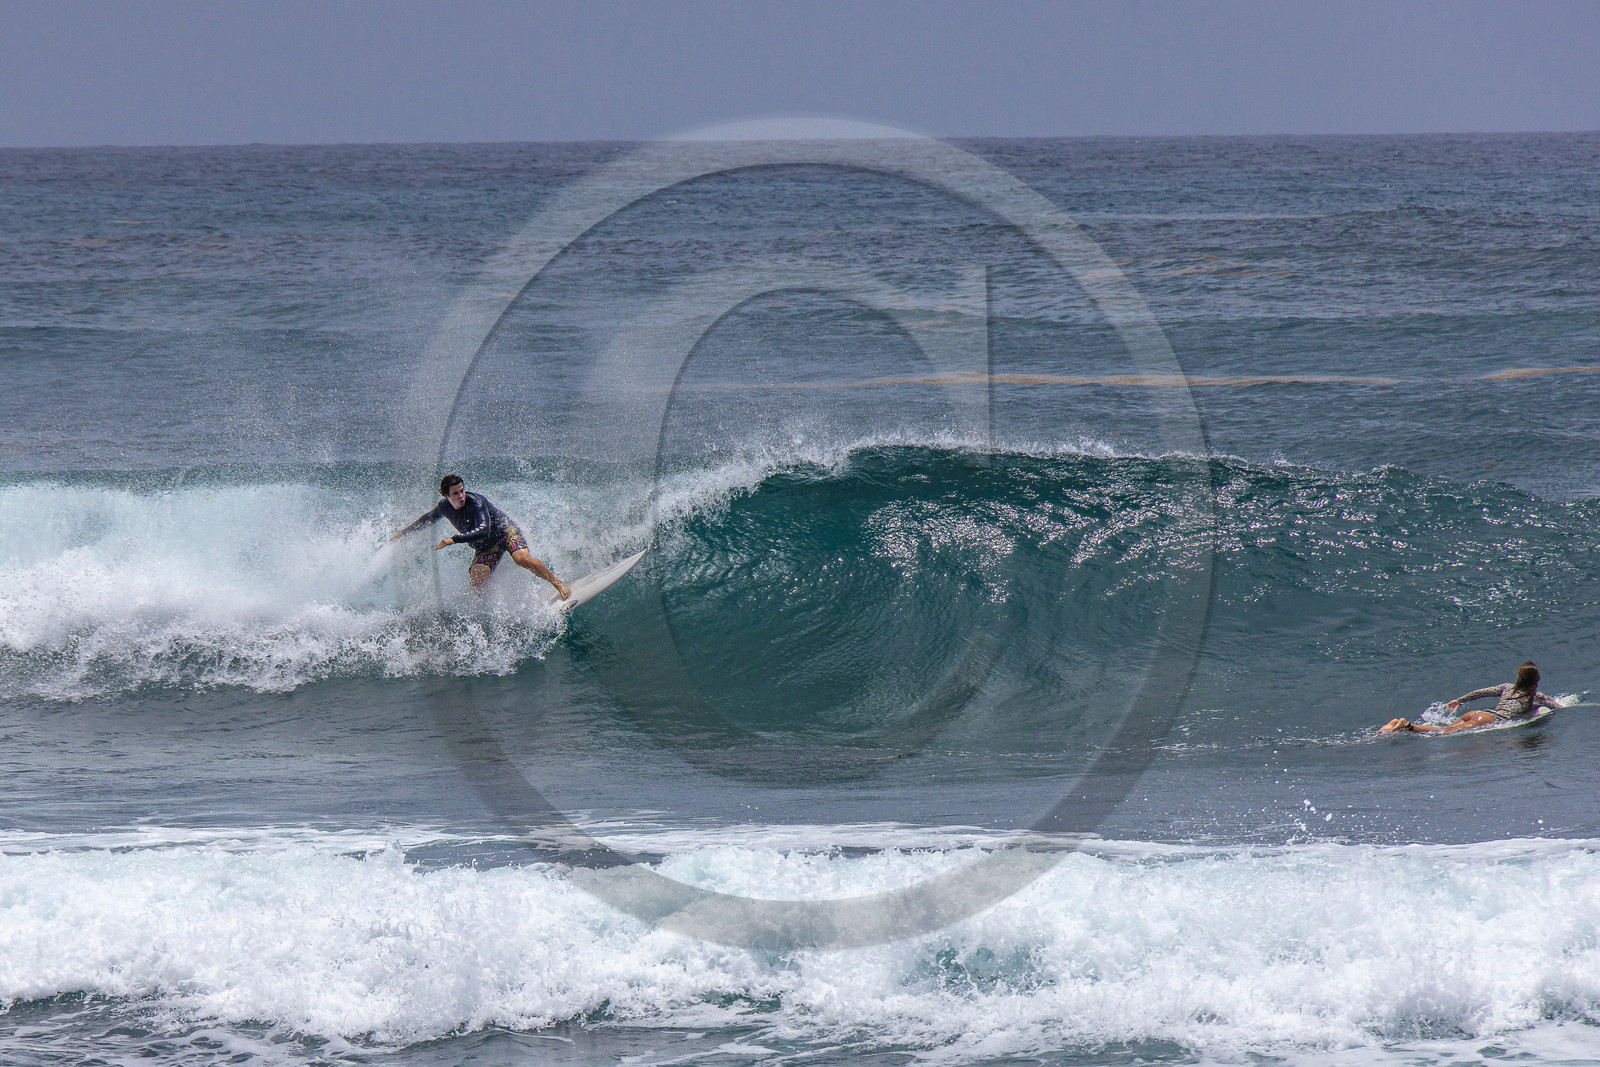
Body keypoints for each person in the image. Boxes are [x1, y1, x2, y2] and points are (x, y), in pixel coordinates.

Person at [390, 474, 570, 600]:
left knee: (521, 559)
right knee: (476, 580)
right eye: (456, 493)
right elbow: (428, 519)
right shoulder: (444, 507)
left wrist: (454, 539)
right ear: (446, 496)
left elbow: (483, 529)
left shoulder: (476, 502)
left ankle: (558, 584)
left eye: (462, 490)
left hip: (505, 533)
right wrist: (403, 533)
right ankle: (495, 607)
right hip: (485, 547)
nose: (461, 496)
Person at [1380, 662, 1560, 733]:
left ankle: (1403, 724)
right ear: (1536, 679)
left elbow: (1481, 692)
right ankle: (1404, 725)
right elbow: (1558, 708)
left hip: (1478, 713)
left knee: (1442, 729)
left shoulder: (1507, 687)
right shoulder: (1537, 697)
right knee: (1443, 733)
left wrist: (1459, 700)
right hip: (1489, 719)